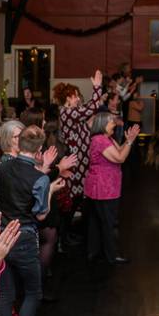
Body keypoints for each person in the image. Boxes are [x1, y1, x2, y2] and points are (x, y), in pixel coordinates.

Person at [0, 125, 66, 316]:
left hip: (2, 236)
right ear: (38, 151)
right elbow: (41, 214)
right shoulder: (40, 178)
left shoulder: (3, 167)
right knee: (34, 293)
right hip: (24, 237)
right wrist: (50, 191)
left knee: (5, 295)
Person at [85, 112, 141, 264]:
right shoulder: (101, 140)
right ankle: (111, 255)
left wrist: (129, 140)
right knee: (108, 221)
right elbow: (120, 158)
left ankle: (95, 252)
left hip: (103, 185)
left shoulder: (106, 138)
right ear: (103, 124)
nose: (115, 124)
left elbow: (120, 151)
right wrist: (129, 143)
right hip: (103, 187)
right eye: (111, 122)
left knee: (98, 220)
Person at [54, 70, 105, 213]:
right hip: (75, 161)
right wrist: (97, 87)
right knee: (72, 198)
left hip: (82, 160)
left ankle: (74, 228)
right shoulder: (67, 112)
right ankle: (65, 232)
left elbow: (85, 122)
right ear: (68, 99)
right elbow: (92, 107)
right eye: (75, 96)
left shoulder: (73, 113)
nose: (77, 99)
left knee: (80, 196)